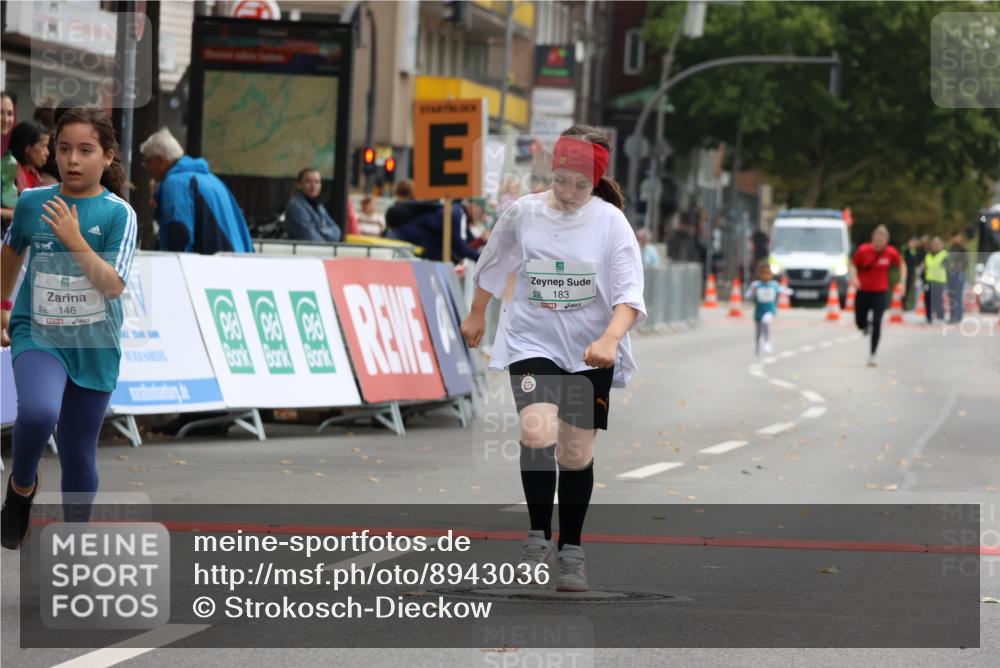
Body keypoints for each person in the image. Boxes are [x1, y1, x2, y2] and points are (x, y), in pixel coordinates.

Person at [460, 125, 646, 592]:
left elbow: (629, 294)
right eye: (561, 180)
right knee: (536, 429)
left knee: (575, 453)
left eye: (580, 185)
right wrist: (477, 313)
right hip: (532, 342)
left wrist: (609, 339)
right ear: (552, 171)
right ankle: (538, 535)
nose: (567, 192)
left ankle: (572, 550)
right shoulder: (524, 212)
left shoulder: (610, 223)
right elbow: (495, 262)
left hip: (589, 353)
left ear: (595, 183)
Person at [0, 108, 137, 548]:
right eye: (63, 149)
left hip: (94, 344)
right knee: (39, 412)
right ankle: (22, 489)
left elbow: (112, 285)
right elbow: (9, 260)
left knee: (78, 454)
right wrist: (2, 308)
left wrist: (76, 240)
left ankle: (76, 548)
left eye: (85, 150)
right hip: (37, 333)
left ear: (108, 156)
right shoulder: (31, 203)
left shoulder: (119, 214)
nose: (72, 160)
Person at [139, 127, 253, 254]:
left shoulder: (176, 182)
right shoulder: (210, 179)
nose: (146, 168)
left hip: (209, 267)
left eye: (147, 162)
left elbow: (179, 232)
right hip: (235, 262)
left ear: (160, 160)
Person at [849, 224, 905, 367]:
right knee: (859, 321)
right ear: (873, 238)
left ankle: (873, 354)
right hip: (863, 290)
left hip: (880, 292)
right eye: (877, 238)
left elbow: (901, 264)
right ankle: (865, 326)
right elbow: (853, 264)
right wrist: (854, 278)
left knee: (877, 322)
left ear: (887, 240)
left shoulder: (890, 252)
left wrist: (902, 281)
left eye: (883, 239)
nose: (880, 241)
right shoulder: (863, 250)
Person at [392, 200, 481, 263]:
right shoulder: (456, 216)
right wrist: (482, 259)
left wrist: (482, 241)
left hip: (410, 241)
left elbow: (466, 242)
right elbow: (461, 248)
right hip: (406, 240)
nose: (477, 220)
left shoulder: (456, 212)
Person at [283, 168, 341, 242]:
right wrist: (325, 232)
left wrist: (319, 230)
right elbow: (311, 238)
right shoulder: (295, 206)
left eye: (317, 182)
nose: (313, 186)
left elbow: (337, 232)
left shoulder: (318, 204)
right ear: (299, 184)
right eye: (308, 182)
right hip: (301, 252)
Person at [745, 262, 787, 356]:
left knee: (766, 321)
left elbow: (783, 291)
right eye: (763, 273)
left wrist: (788, 291)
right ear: (759, 274)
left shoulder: (774, 285)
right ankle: (757, 346)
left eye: (768, 273)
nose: (766, 275)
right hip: (759, 311)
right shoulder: (756, 285)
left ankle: (767, 342)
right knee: (758, 332)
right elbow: (748, 295)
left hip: (770, 310)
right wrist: (752, 292)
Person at [8, 121, 51, 195]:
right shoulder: (7, 174)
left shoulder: (36, 176)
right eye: (44, 146)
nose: (47, 153)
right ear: (27, 147)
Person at [921, 237, 948, 324]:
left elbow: (948, 265)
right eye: (933, 244)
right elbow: (924, 267)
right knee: (928, 299)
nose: (935, 246)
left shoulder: (944, 254)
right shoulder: (928, 255)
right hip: (928, 280)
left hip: (939, 281)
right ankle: (929, 317)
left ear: (941, 245)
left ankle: (941, 316)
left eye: (937, 244)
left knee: (938, 299)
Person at [946, 230, 967, 323]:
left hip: (959, 274)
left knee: (958, 295)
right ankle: (952, 316)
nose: (957, 238)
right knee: (951, 295)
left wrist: (958, 266)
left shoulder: (962, 248)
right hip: (951, 274)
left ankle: (958, 316)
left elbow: (965, 262)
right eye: (955, 237)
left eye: (958, 236)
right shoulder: (951, 248)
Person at [902, 235, 923, 310]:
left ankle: (905, 304)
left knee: (909, 288)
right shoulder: (905, 247)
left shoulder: (914, 250)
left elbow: (915, 260)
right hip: (904, 271)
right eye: (913, 242)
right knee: (904, 288)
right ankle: (902, 304)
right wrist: (909, 246)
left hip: (911, 271)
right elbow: (904, 253)